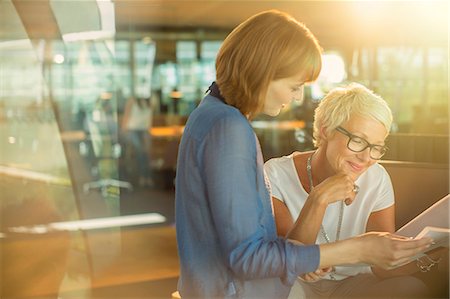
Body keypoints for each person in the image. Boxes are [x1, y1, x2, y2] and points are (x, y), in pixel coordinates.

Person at [175, 10, 432, 299]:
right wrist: (357, 249)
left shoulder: (209, 113)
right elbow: (248, 259)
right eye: (294, 86)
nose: (296, 97)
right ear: (264, 71)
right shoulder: (229, 128)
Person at [264, 83, 444, 298]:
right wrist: (319, 198)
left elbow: (383, 267)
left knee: (412, 288)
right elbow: (292, 262)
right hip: (296, 285)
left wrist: (435, 251)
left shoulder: (376, 178)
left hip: (354, 284)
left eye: (377, 147)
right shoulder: (275, 173)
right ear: (326, 130)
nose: (367, 157)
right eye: (358, 141)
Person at [121, 96, 154, 187]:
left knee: (147, 153)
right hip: (132, 130)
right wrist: (123, 132)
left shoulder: (150, 101)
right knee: (140, 152)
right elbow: (126, 116)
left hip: (144, 130)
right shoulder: (132, 100)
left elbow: (149, 118)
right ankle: (143, 177)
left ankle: (147, 177)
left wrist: (149, 132)